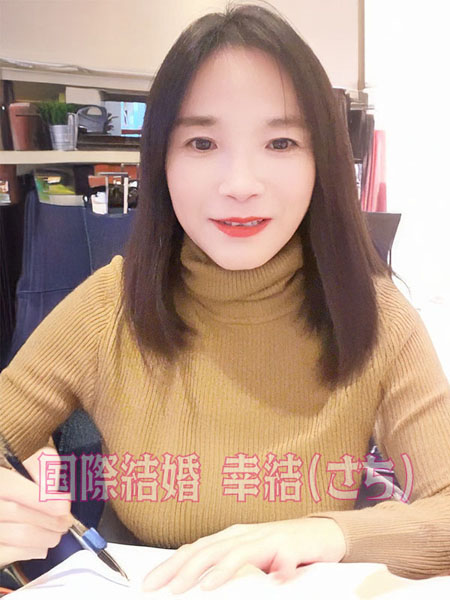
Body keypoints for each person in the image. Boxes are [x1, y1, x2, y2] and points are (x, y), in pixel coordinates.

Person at [1, 1, 450, 594]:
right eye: (202, 142)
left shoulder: (375, 313)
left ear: (323, 160)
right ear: (161, 160)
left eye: (281, 142)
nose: (240, 184)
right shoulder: (109, 306)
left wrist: (323, 534)